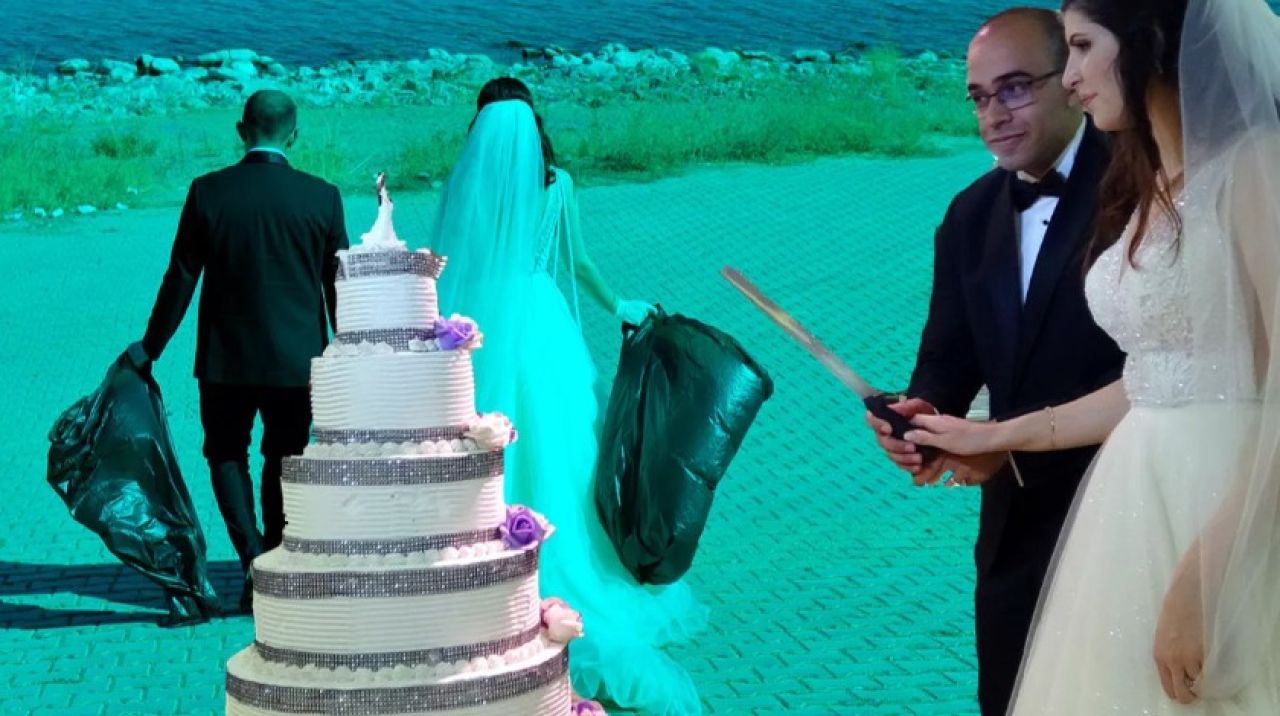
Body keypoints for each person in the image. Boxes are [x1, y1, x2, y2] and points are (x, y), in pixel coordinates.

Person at [905, 0, 1280, 711]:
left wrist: (1206, 575)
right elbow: (1153, 380)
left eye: (1081, 46)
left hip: (1227, 504)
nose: (1073, 76)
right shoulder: (1155, 186)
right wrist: (996, 434)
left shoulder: (1257, 169)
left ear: (1146, 43)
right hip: (1131, 507)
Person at [862, 8, 1125, 714]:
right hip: (1014, 538)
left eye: (1013, 89)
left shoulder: (1138, 188)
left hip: (1126, 514)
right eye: (979, 98)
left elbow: (1168, 370)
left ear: (1070, 78)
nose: (993, 117)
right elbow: (946, 361)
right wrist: (920, 416)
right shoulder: (968, 215)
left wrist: (1003, 439)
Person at [430, 79, 707, 715]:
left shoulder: (466, 181)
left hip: (484, 322)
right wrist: (620, 304)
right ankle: (559, 557)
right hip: (541, 323)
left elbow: (446, 261)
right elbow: (577, 261)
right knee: (560, 448)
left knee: (486, 443)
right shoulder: (558, 184)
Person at [139, 89, 348, 613]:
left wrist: (150, 347)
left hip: (225, 359)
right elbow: (339, 287)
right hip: (298, 361)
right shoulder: (322, 197)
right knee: (286, 456)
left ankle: (252, 558)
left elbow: (180, 277)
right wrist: (349, 349)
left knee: (226, 454)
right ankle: (274, 559)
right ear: (294, 135)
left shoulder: (208, 192)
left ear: (241, 130)